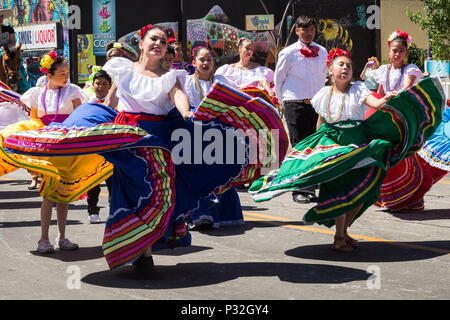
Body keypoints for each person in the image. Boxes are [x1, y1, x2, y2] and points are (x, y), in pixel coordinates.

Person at [4, 24, 287, 277]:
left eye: (163, 42)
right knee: (130, 191)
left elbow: (178, 97)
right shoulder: (123, 69)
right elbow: (112, 101)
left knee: (158, 188)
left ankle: (145, 247)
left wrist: (188, 112)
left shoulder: (171, 75)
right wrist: (99, 128)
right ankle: (142, 251)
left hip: (158, 138)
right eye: (153, 39)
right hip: (127, 138)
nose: (158, 44)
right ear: (141, 43)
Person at [249, 48, 445, 251]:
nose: (345, 68)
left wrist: (385, 100)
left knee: (365, 189)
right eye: (341, 65)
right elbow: (321, 122)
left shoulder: (358, 89)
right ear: (331, 70)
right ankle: (339, 237)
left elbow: (374, 102)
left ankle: (342, 233)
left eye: (349, 66)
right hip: (333, 143)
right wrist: (317, 149)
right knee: (339, 188)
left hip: (357, 141)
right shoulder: (323, 94)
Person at [19, 52, 86, 253]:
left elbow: (80, 117)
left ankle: (62, 237)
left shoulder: (73, 91)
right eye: (61, 74)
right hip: (48, 146)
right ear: (49, 75)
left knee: (63, 194)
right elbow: (33, 122)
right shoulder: (37, 93)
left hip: (66, 146)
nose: (66, 77)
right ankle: (43, 239)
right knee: (48, 194)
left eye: (67, 72)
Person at [183, 46, 244, 229]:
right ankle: (200, 213)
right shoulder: (186, 82)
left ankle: (224, 215)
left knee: (221, 172)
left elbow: (237, 99)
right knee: (199, 173)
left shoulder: (220, 80)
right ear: (193, 63)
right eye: (201, 59)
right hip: (194, 132)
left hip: (219, 130)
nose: (205, 63)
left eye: (209, 59)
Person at [274, 15, 328, 204]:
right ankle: (300, 189)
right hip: (294, 103)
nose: (308, 33)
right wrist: (283, 102)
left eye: (311, 30)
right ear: (297, 31)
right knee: (299, 145)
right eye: (304, 30)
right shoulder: (288, 53)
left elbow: (324, 76)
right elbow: (278, 79)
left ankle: (313, 183)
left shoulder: (322, 51)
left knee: (317, 145)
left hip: (316, 104)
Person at [371, 30, 427, 212]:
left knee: (407, 155)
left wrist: (394, 96)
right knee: (386, 155)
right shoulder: (383, 71)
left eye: (401, 50)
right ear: (389, 51)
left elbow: (406, 89)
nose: (397, 54)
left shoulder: (410, 70)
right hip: (387, 117)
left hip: (404, 118)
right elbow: (378, 94)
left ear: (405, 52)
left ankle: (413, 199)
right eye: (394, 50)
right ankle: (389, 198)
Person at [86, 69, 113, 223]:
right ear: (93, 84)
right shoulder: (88, 102)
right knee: (92, 182)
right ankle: (92, 210)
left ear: (109, 86)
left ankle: (113, 210)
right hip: (93, 147)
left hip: (110, 147)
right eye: (98, 83)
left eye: (104, 84)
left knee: (112, 182)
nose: (101, 87)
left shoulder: (115, 101)